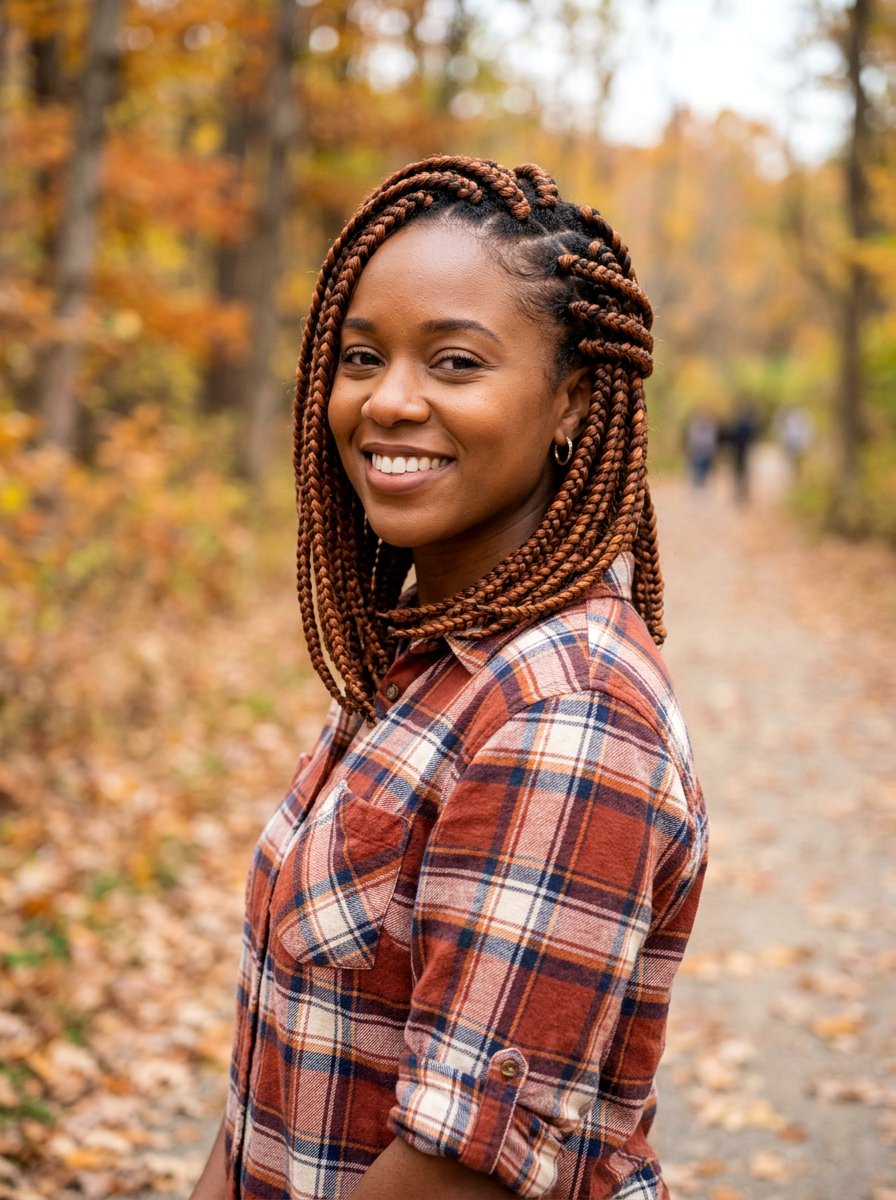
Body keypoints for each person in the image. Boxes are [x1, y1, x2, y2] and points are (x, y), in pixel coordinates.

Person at [190, 155, 708, 1200]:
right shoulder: (425, 663)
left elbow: (453, 1173)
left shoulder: (564, 709)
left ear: (568, 401)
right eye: (360, 356)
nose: (387, 402)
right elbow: (271, 1079)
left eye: (455, 363)